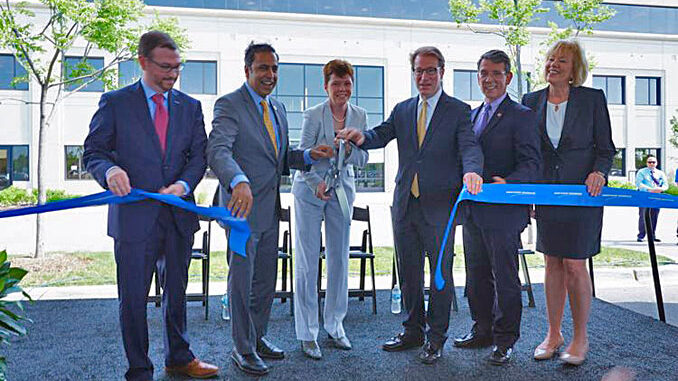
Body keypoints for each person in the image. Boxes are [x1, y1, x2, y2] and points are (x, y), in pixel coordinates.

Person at [83, 31, 218, 380]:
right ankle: (139, 369)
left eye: (177, 67)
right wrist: (110, 169)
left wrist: (184, 185)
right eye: (165, 67)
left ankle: (179, 357)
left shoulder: (190, 107)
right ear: (143, 62)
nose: (172, 74)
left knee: (177, 293)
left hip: (177, 216)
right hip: (133, 219)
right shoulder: (115, 103)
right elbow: (93, 152)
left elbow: (198, 156)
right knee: (132, 299)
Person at [338, 46, 483, 365]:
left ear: (442, 72)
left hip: (440, 207)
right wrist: (359, 136)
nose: (424, 77)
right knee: (409, 274)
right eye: (419, 71)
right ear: (413, 73)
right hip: (405, 205)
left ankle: (436, 337)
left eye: (431, 70)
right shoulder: (403, 109)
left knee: (440, 274)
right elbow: (381, 134)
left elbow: (469, 145)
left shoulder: (458, 110)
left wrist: (472, 171)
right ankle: (412, 330)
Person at [206, 42, 333, 376]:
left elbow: (278, 158)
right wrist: (238, 180)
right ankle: (242, 349)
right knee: (242, 281)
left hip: (270, 210)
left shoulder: (276, 108)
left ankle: (257, 337)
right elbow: (218, 151)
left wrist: (307, 156)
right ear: (247, 70)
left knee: (265, 281)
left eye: (274, 68)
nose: (270, 75)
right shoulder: (229, 105)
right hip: (240, 212)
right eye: (263, 68)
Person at [522, 39, 615, 366]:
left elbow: (606, 148)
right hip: (547, 196)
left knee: (575, 264)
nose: (553, 65)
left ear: (575, 70)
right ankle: (553, 333)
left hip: (583, 195)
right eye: (550, 59)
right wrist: (528, 194)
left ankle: (579, 337)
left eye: (561, 61)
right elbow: (528, 152)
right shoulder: (530, 101)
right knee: (552, 262)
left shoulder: (592, 100)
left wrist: (599, 173)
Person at [453, 50, 541, 365]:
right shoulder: (472, 116)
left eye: (496, 73)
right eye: (483, 73)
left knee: (505, 276)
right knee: (476, 274)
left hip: (504, 210)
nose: (489, 79)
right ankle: (482, 330)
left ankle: (505, 340)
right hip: (474, 210)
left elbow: (532, 163)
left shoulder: (522, 114)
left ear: (508, 77)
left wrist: (510, 183)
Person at [292, 59, 369, 359]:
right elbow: (300, 157)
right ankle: (307, 333)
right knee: (308, 262)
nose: (342, 89)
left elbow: (363, 159)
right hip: (310, 192)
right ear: (326, 86)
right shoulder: (313, 115)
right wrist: (315, 183)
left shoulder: (360, 115)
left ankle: (335, 325)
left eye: (347, 83)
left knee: (339, 260)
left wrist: (348, 149)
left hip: (341, 193)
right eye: (336, 84)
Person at [635, 155, 667, 242]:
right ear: (647, 163)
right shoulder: (641, 172)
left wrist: (660, 189)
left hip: (656, 196)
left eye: (653, 162)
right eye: (650, 162)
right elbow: (639, 184)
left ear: (657, 163)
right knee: (643, 215)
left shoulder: (660, 173)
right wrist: (649, 189)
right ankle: (641, 235)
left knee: (654, 215)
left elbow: (665, 185)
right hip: (644, 196)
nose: (652, 164)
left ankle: (652, 235)